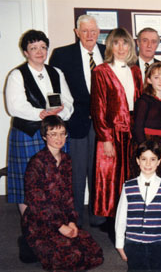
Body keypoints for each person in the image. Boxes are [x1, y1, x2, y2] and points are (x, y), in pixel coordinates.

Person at [5, 29, 74, 214]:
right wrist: (42, 113)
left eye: (43, 47)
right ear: (26, 52)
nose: (39, 51)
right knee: (28, 182)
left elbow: (68, 101)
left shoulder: (56, 72)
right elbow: (14, 107)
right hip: (29, 134)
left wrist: (63, 113)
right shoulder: (17, 75)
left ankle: (53, 227)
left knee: (54, 181)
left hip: (55, 133)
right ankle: (30, 229)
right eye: (33, 47)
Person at [22, 115, 103, 271]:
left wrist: (71, 221)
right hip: (40, 222)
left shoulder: (67, 160)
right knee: (70, 256)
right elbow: (37, 204)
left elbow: (69, 197)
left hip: (62, 217)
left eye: (62, 133)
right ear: (45, 136)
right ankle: (28, 245)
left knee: (93, 251)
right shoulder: (36, 163)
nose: (59, 138)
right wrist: (60, 227)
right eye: (53, 134)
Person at [49, 14, 106, 227]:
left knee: (99, 172)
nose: (89, 35)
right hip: (76, 123)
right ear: (77, 33)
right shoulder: (62, 55)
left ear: (98, 32)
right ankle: (75, 220)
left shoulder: (107, 53)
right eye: (85, 31)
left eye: (93, 31)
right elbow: (53, 89)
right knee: (76, 174)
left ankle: (99, 216)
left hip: (103, 125)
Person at [91, 27, 143, 218]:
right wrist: (105, 138)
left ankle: (130, 216)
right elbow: (98, 108)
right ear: (110, 46)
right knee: (111, 177)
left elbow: (139, 102)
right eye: (116, 43)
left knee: (131, 174)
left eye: (125, 43)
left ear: (130, 46)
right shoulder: (101, 71)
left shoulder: (135, 70)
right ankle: (112, 218)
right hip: (111, 132)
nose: (121, 47)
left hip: (132, 131)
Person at [115, 140, 161, 272]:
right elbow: (121, 219)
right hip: (134, 243)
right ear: (138, 161)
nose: (148, 164)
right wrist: (120, 244)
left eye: (153, 159)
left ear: (159, 161)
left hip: (159, 242)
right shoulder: (128, 186)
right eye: (144, 159)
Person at [132, 62, 161, 180]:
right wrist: (145, 149)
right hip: (146, 141)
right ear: (149, 80)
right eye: (156, 77)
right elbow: (138, 128)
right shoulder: (144, 100)